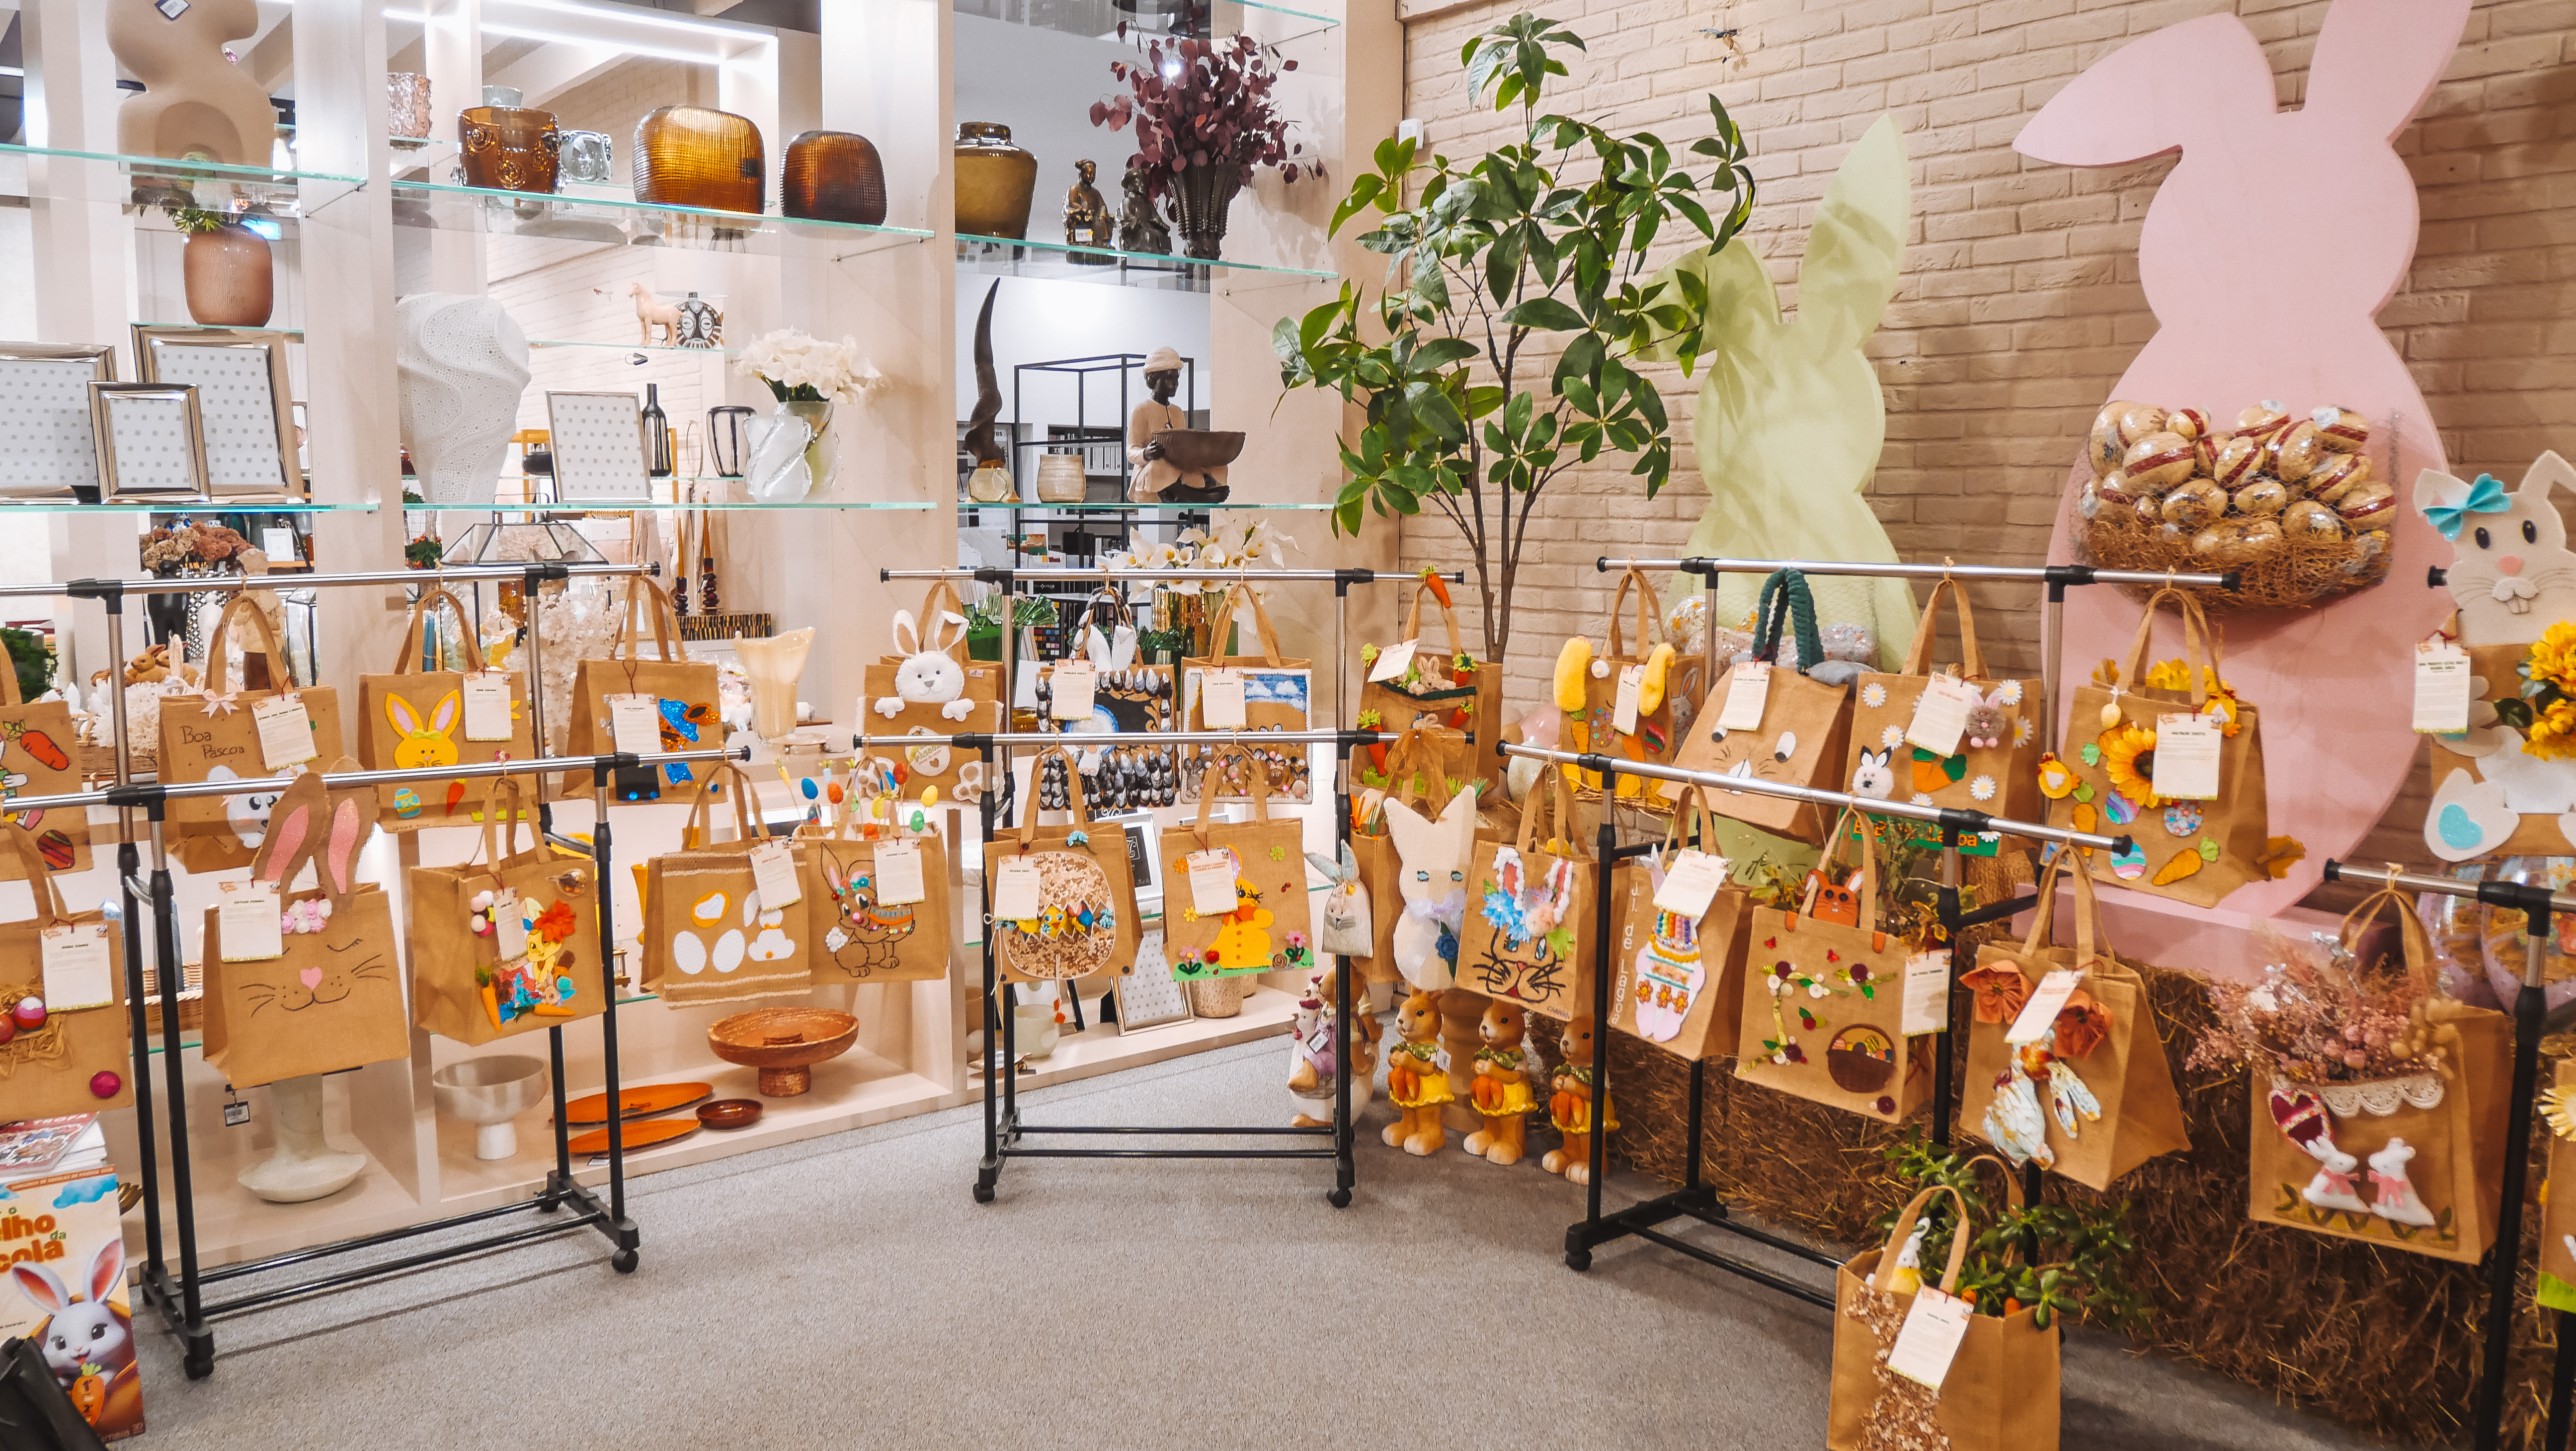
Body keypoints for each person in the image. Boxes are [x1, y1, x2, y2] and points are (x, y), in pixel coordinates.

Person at [1125, 346, 1227, 503]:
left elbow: (1182, 447)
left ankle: (1196, 490)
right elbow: (1131, 451)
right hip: (1151, 471)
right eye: (1169, 378)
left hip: (1176, 468)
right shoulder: (1141, 410)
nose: (1175, 384)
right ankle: (1197, 496)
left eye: (1176, 378)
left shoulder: (1177, 412)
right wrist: (1146, 454)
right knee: (1159, 466)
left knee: (1216, 466)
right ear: (1153, 379)